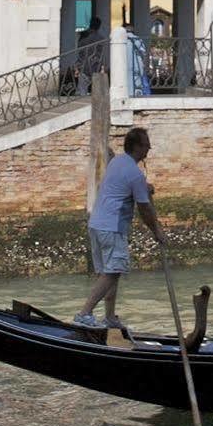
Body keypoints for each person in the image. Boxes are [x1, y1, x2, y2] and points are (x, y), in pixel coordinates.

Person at [73, 126, 164, 331]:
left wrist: (145, 186)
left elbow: (124, 184)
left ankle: (109, 318)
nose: (149, 149)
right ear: (138, 147)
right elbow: (145, 209)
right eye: (146, 145)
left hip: (96, 224)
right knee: (113, 272)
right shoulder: (135, 174)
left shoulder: (118, 162)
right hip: (112, 228)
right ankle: (84, 313)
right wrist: (157, 231)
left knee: (109, 272)